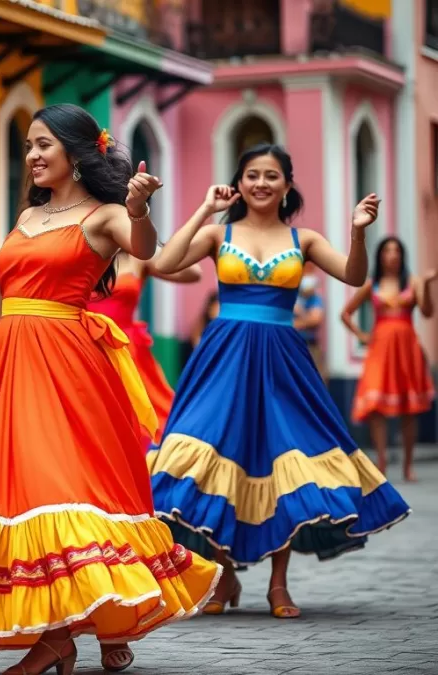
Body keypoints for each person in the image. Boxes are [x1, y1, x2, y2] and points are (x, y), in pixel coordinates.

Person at [0, 106, 221, 675]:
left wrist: (139, 209)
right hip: (10, 361)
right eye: (29, 146)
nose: (35, 156)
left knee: (71, 488)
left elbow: (151, 254)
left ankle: (74, 632)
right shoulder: (29, 214)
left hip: (68, 363)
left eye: (45, 145)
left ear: (76, 151)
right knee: (24, 496)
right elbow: (3, 292)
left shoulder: (106, 213)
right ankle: (77, 624)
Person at [148, 143, 410, 620]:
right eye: (252, 175)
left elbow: (354, 277)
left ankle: (278, 584)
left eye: (272, 176)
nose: (261, 183)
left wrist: (357, 231)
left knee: (284, 464)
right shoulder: (217, 232)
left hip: (283, 362)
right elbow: (163, 264)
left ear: (288, 185)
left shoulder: (303, 239)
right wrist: (206, 208)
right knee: (215, 459)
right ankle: (224, 575)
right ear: (239, 182)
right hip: (223, 358)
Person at [342, 235, 436, 481]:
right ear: (380, 255)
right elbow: (346, 313)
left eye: (396, 251)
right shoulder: (371, 283)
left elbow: (427, 312)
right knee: (375, 406)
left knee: (409, 409)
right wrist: (362, 335)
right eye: (387, 251)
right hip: (380, 351)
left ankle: (407, 464)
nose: (392, 255)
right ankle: (381, 461)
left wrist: (426, 284)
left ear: (402, 256)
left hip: (407, 350)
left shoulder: (413, 282)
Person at [88, 249, 202, 442]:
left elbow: (194, 272)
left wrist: (147, 241)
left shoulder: (138, 257)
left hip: (127, 351)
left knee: (143, 418)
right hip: (87, 347)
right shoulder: (82, 250)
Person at [294, 272, 327, 381]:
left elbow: (315, 320)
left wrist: (300, 315)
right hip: (292, 344)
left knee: (316, 379)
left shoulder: (315, 299)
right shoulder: (292, 297)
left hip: (310, 345)